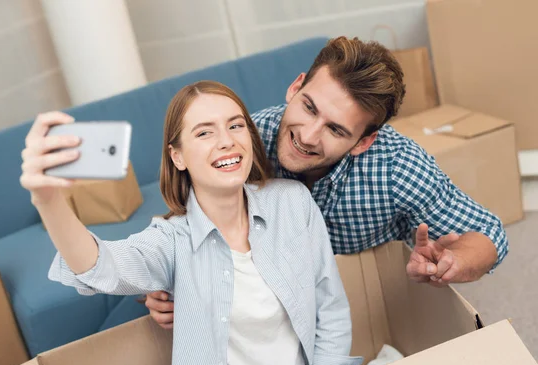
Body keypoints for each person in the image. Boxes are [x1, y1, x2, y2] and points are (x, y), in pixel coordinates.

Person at [19, 81, 363, 365]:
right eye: (204, 133)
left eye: (235, 125)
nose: (226, 140)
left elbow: (329, 306)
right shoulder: (171, 240)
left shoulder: (292, 202)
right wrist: (48, 201)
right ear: (177, 156)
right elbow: (100, 265)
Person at [145, 36, 509, 329]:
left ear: (364, 141)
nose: (307, 135)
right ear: (295, 87)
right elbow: (186, 224)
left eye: (335, 129)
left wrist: (451, 262)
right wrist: (165, 288)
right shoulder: (243, 141)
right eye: (309, 107)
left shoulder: (397, 167)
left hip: (358, 303)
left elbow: (488, 233)